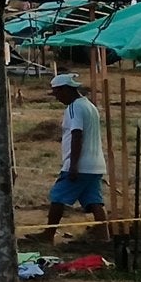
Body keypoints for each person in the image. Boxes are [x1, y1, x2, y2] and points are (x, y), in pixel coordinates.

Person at [43, 73, 109, 239]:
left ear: (66, 89)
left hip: (80, 164)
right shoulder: (90, 106)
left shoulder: (74, 107)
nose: (57, 98)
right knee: (94, 201)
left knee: (57, 197)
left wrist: (73, 165)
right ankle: (104, 236)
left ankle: (48, 234)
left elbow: (77, 134)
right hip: (95, 164)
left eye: (57, 93)